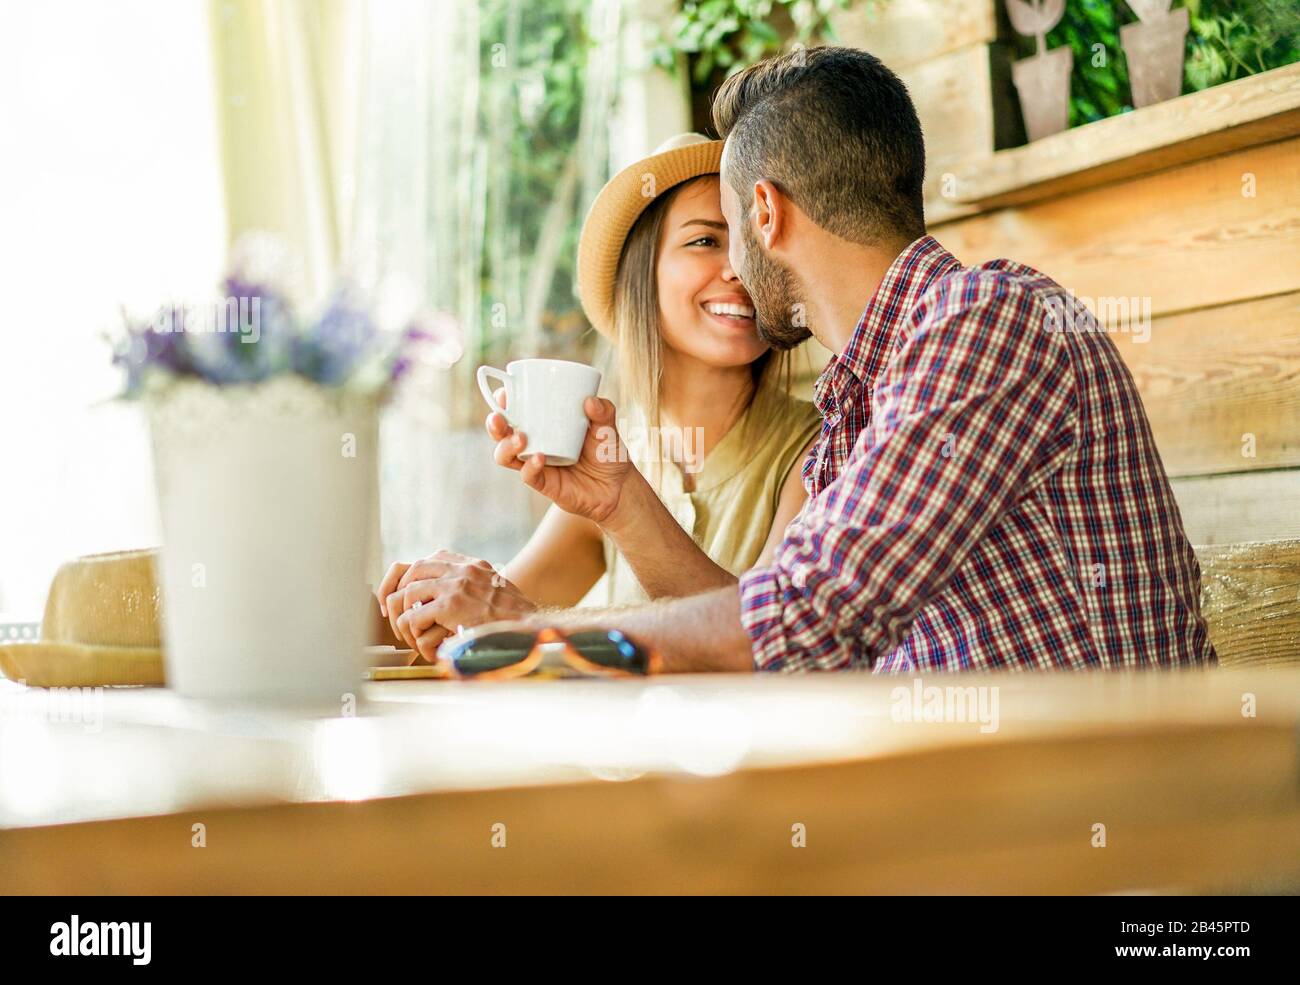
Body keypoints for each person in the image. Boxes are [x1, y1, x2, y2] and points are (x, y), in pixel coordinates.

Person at [438, 46, 1217, 673]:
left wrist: (535, 636)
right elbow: (772, 632)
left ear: (766, 213)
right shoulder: (862, 399)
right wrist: (619, 505)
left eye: (730, 230)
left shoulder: (985, 318)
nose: (734, 270)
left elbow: (803, 613)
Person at [374, 134, 821, 659]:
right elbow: (482, 619)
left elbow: (765, 645)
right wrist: (417, 598)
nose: (739, 267)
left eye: (751, 242)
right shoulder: (610, 453)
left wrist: (519, 619)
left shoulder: (820, 451)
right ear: (640, 274)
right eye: (705, 240)